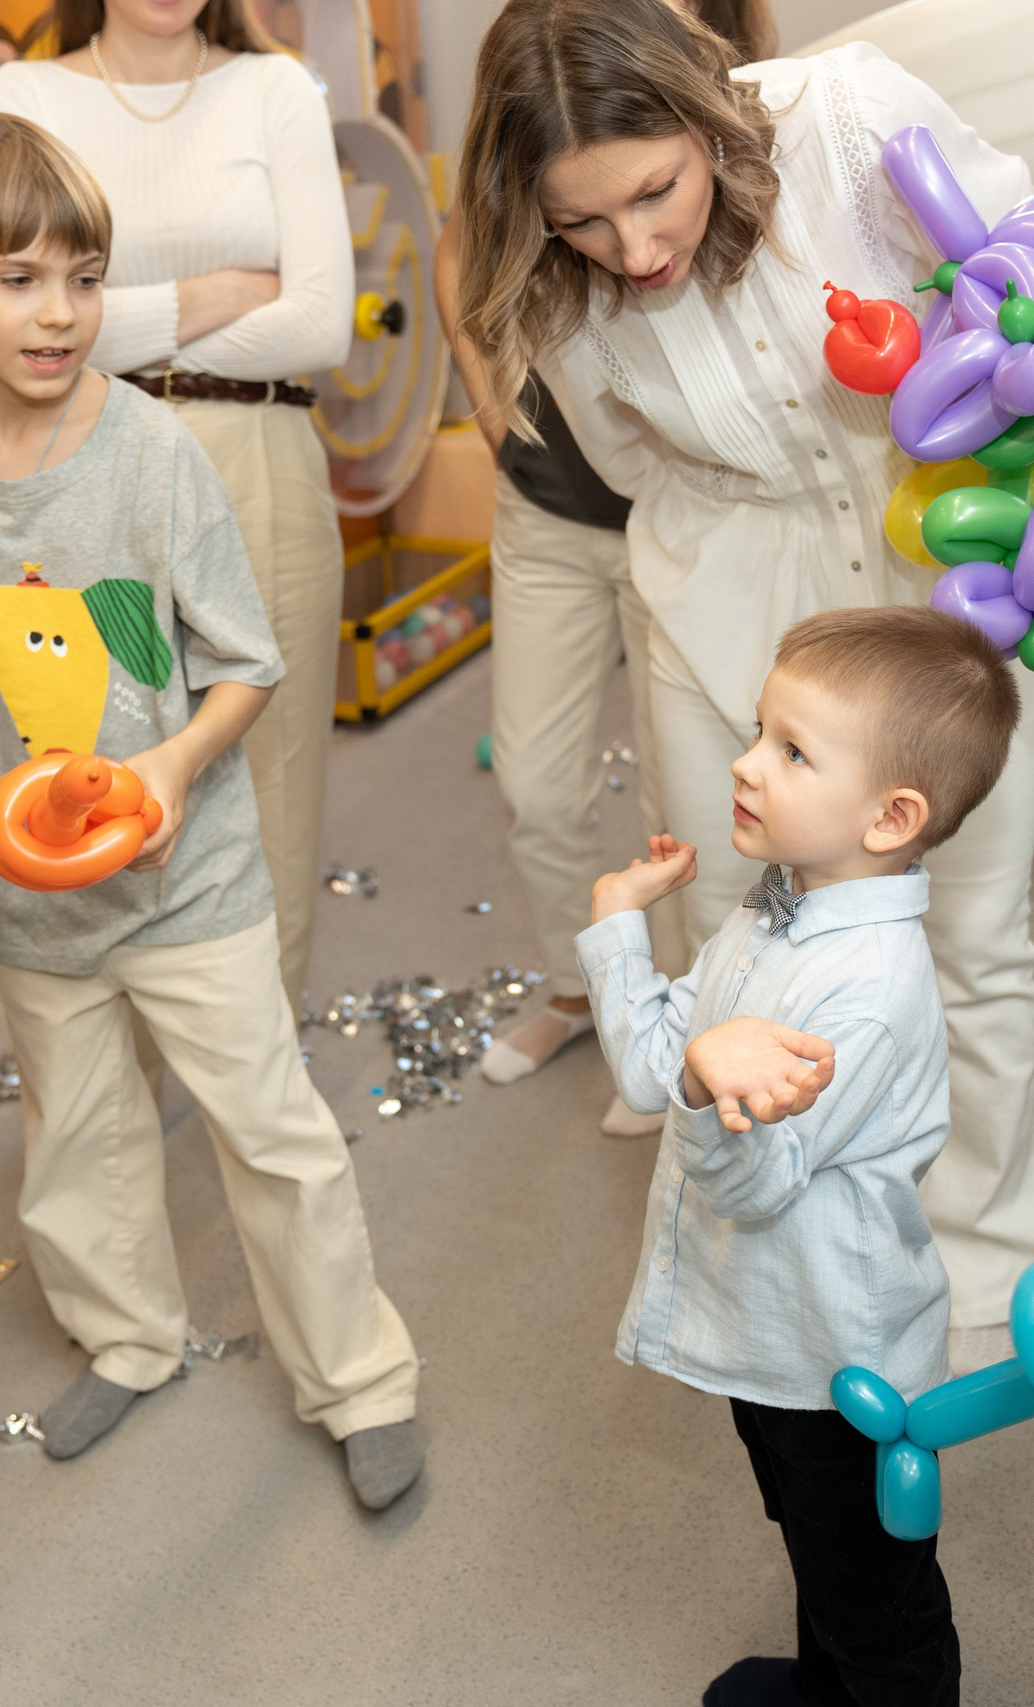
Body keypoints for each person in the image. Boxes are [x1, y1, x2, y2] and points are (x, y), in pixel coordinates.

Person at [0, 113, 424, 1505]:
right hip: (29, 899)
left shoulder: (154, 450)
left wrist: (169, 769)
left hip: (186, 875)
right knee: (79, 1134)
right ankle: (128, 1336)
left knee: (270, 1131)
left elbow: (241, 663)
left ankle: (361, 1376)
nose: (60, 312)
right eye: (19, 279)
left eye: (83, 277)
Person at [452, 0, 1034, 1367]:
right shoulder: (548, 281)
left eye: (656, 190)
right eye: (584, 223)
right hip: (721, 593)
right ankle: (778, 1281)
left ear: (703, 113)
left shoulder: (844, 118)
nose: (637, 248)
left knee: (972, 937)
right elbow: (618, 460)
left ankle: (979, 1278)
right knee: (740, 943)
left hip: (935, 572)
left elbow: (1022, 270)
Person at [577, 607, 1020, 1707]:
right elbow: (655, 1067)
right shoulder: (772, 913)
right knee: (819, 1553)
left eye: (790, 750)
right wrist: (618, 926)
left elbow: (758, 1182)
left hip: (838, 1360)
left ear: (889, 817)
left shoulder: (865, 990)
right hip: (764, 1331)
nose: (744, 762)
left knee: (878, 1599)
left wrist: (701, 1082)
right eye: (757, 731)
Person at [434, 0, 773, 1137]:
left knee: (692, 798)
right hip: (546, 513)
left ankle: (675, 1021)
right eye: (589, 217)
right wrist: (491, 419)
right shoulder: (542, 68)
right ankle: (579, 989)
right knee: (536, 786)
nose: (628, 243)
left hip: (678, 516)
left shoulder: (692, 68)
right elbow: (461, 249)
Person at [0, 0, 351, 1010]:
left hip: (257, 453)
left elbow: (319, 325)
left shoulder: (271, 88)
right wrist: (214, 294)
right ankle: (120, 1074)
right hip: (80, 465)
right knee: (88, 762)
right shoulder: (23, 96)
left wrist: (101, 331)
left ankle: (259, 1065)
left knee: (273, 780)